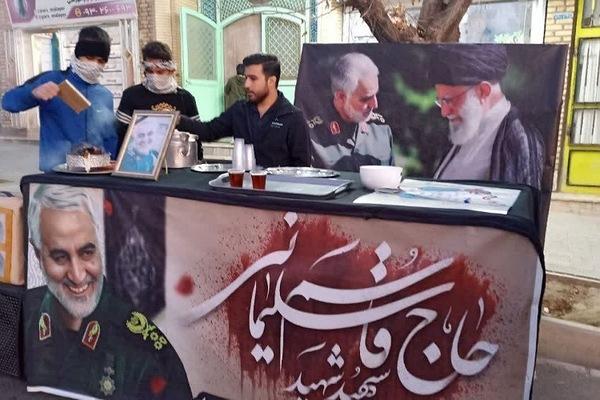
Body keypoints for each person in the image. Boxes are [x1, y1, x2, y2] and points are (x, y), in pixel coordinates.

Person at [25, 184, 192, 399]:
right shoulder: (24, 318)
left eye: (87, 253)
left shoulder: (146, 352)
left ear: (99, 244)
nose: (78, 275)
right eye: (60, 257)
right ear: (37, 254)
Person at [1, 26, 117, 172]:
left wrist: (113, 165)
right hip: (56, 172)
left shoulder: (105, 95)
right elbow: (7, 102)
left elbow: (109, 136)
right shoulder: (51, 80)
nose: (94, 64)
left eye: (100, 61)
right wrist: (32, 93)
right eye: (89, 58)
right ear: (77, 55)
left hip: (94, 173)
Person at [431, 44, 545, 189]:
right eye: (440, 102)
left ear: (483, 91)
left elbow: (520, 201)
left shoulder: (519, 139)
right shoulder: (462, 130)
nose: (444, 112)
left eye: (449, 100)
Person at [176, 53, 309, 168]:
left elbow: (302, 167)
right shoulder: (239, 110)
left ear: (271, 81)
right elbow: (209, 131)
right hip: (242, 186)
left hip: (278, 188)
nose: (246, 85)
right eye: (246, 78)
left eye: (253, 79)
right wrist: (177, 120)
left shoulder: (293, 117)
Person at [305, 52, 395, 172]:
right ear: (341, 97)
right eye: (365, 99)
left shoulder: (381, 130)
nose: (375, 105)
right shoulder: (313, 136)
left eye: (375, 95)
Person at [116, 41, 202, 157]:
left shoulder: (185, 98)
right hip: (141, 162)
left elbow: (196, 136)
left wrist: (198, 160)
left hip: (177, 161)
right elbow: (121, 137)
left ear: (171, 71)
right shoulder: (131, 96)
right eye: (150, 71)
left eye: (160, 72)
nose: (154, 76)